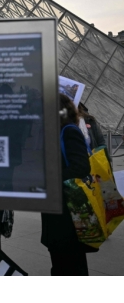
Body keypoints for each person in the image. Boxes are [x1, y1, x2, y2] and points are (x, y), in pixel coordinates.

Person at [41, 94, 93, 275]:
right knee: (60, 261)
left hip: (68, 211)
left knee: (70, 263)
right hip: (57, 210)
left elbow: (81, 166)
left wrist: (50, 179)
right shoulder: (55, 132)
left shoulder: (69, 131)